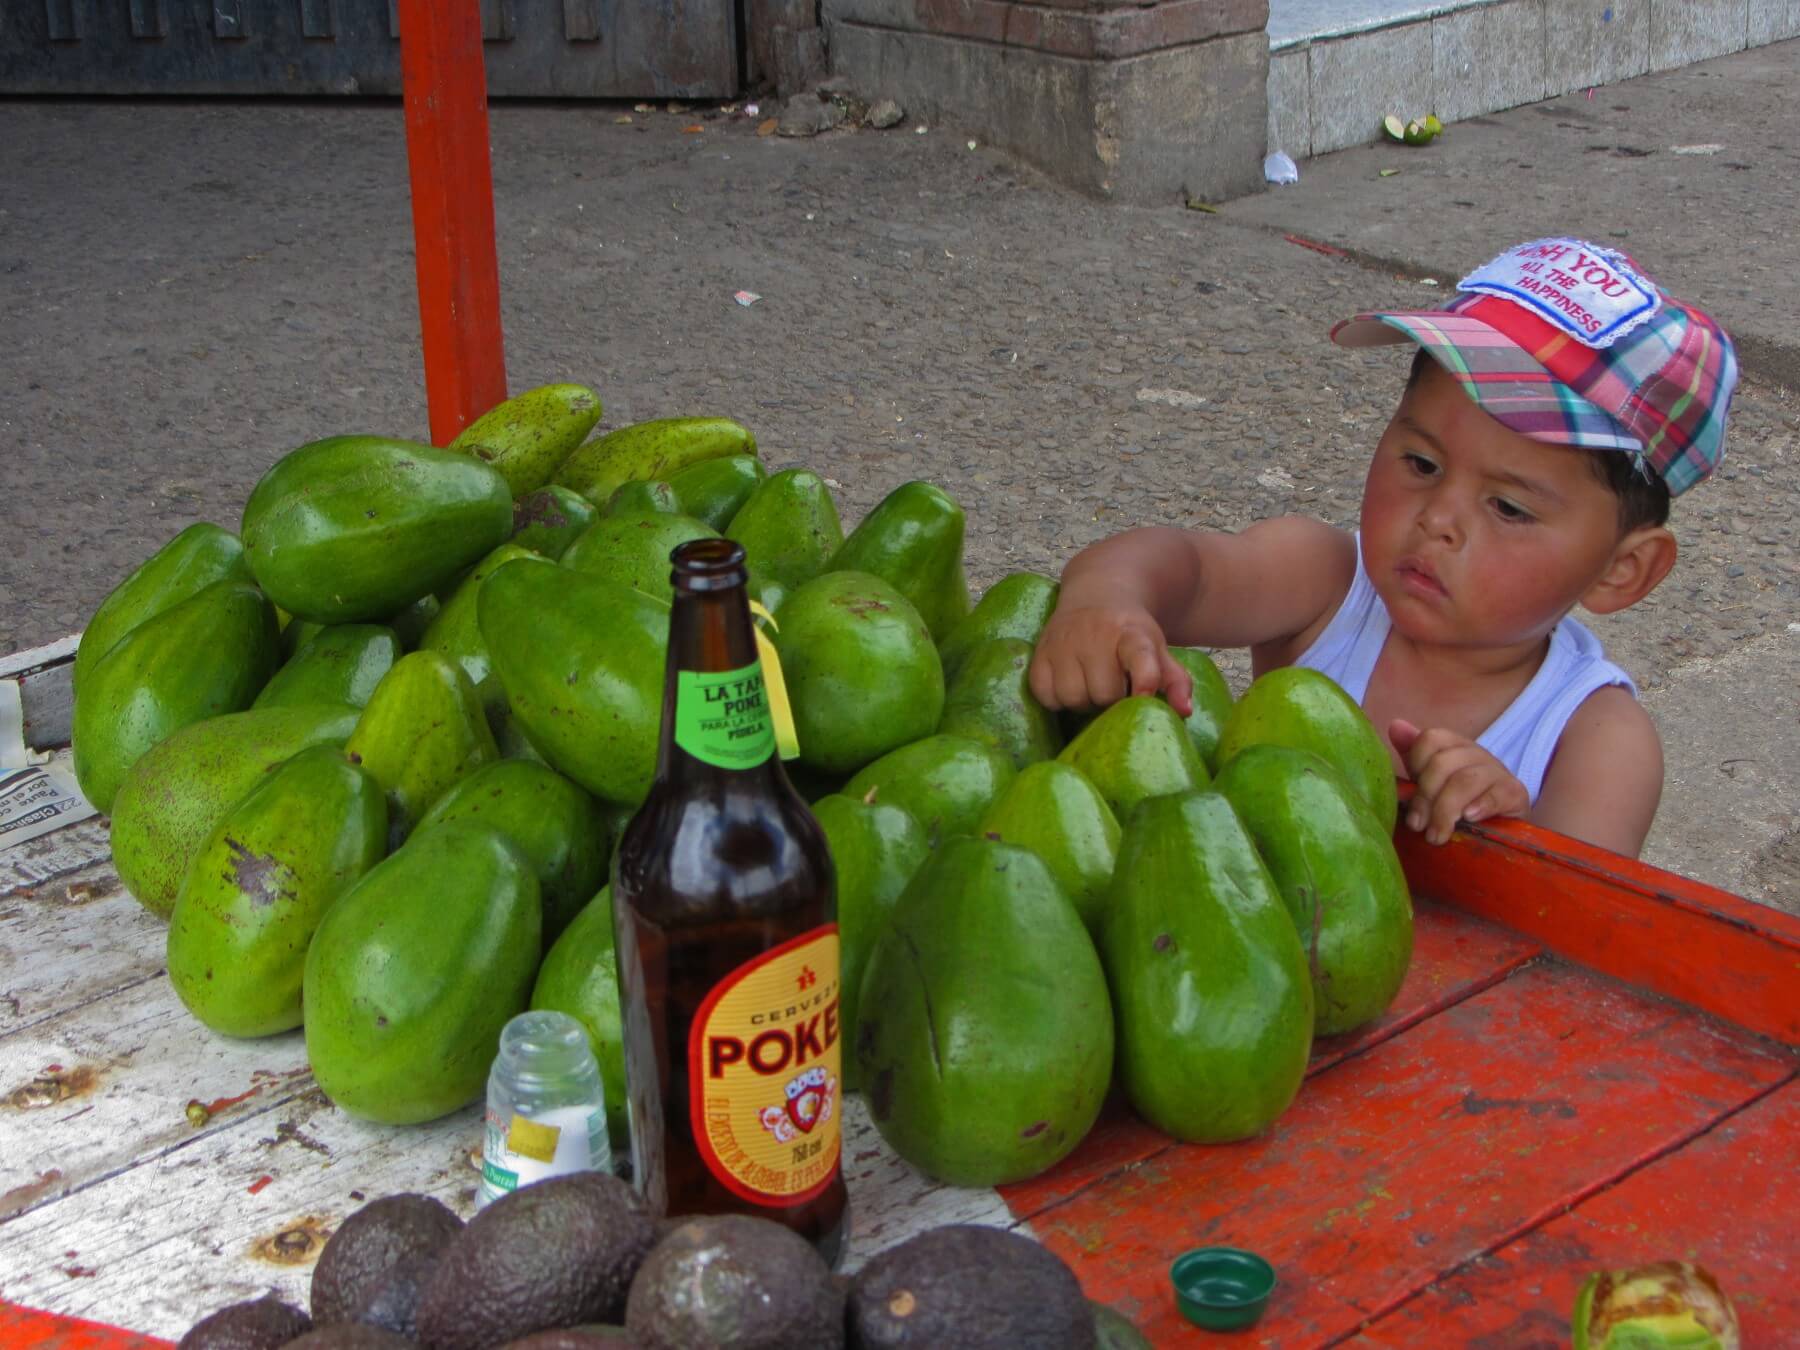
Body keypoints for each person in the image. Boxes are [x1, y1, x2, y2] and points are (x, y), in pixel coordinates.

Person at [1028, 237, 1738, 859]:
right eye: (1422, 464)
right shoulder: (1326, 584)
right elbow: (1183, 566)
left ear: (1622, 570)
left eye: (1508, 507)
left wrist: (1514, 835)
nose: (1438, 520)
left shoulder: (1598, 740)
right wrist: (1105, 599)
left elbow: (1584, 933)